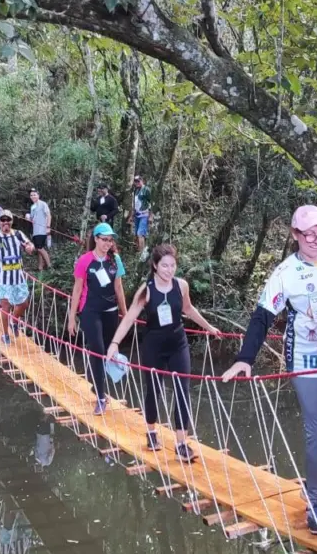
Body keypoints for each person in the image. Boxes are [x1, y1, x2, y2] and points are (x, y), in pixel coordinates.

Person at [222, 205, 317, 534]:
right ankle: (314, 502)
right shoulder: (286, 273)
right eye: (308, 234)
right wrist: (245, 358)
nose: (316, 239)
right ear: (295, 234)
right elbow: (262, 316)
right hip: (306, 359)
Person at [106, 244, 219, 462]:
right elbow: (129, 318)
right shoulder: (146, 290)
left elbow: (188, 309)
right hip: (153, 345)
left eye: (172, 265)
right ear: (155, 266)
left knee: (182, 391)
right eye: (165, 266)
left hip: (178, 344)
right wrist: (114, 343)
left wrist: (209, 327)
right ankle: (151, 431)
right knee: (153, 390)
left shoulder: (181, 286)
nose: (169, 270)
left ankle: (181, 443)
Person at [67, 222, 127, 415]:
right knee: (98, 350)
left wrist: (126, 314)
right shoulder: (84, 261)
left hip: (111, 311)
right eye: (104, 239)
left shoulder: (115, 260)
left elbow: (118, 288)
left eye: (110, 240)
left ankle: (96, 383)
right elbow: (77, 290)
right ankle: (101, 397)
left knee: (109, 351)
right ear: (96, 239)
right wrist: (71, 318)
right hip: (90, 311)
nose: (108, 243)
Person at [0, 210, 36, 344]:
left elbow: (29, 244)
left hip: (18, 277)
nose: (5, 222)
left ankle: (14, 321)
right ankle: (5, 334)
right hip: (3, 279)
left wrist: (30, 247)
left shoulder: (18, 234)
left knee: (24, 303)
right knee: (5, 307)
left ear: (11, 221)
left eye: (8, 220)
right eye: (3, 220)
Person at [26, 188, 52, 270]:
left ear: (38, 195)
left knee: (40, 248)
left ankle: (49, 266)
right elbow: (32, 219)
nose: (33, 196)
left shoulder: (43, 204)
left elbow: (49, 215)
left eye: (34, 195)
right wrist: (28, 217)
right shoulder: (32, 206)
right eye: (31, 195)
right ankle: (40, 267)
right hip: (35, 231)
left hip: (42, 230)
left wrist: (48, 227)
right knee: (39, 248)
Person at [129, 174, 152, 256]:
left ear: (142, 181)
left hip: (144, 214)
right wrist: (132, 215)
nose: (137, 183)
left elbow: (152, 202)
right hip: (137, 214)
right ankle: (139, 251)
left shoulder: (146, 190)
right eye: (135, 181)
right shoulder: (136, 190)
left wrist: (151, 216)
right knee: (136, 234)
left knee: (140, 234)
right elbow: (135, 204)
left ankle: (142, 254)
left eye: (138, 181)